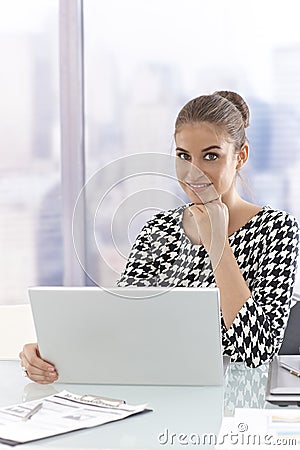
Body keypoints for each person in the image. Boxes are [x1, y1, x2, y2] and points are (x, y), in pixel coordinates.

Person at [19, 90, 299, 384]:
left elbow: (256, 352)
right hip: (156, 399)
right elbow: (121, 326)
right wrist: (52, 353)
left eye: (211, 156)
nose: (194, 172)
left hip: (234, 412)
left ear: (240, 156)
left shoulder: (275, 229)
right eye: (183, 156)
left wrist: (218, 244)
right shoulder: (159, 229)